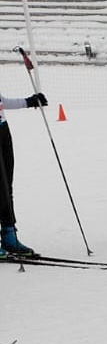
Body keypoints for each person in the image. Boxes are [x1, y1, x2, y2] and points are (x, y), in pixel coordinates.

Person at [0, 88, 48, 258]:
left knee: (6, 186)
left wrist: (28, 102)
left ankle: (9, 235)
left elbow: (1, 101)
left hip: (2, 130)